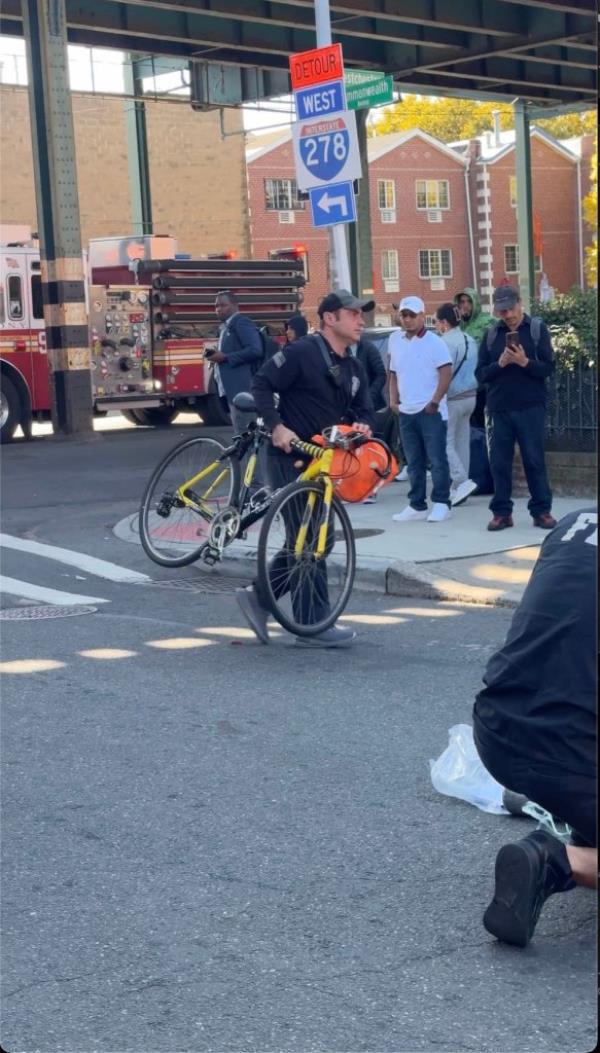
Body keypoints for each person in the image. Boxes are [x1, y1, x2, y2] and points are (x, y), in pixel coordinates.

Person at [473, 507, 597, 947]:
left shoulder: (575, 522)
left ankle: (551, 804)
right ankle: (554, 859)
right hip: (567, 752)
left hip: (496, 726)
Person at [236, 288, 376, 648]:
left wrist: (362, 427)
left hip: (325, 464)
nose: (362, 320)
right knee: (311, 537)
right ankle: (311, 625)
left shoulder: (354, 367)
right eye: (353, 313)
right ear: (330, 318)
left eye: (362, 314)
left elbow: (365, 411)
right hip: (290, 457)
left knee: (319, 539)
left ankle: (260, 598)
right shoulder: (301, 353)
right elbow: (262, 384)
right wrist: (276, 425)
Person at [475, 284, 556, 532]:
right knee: (499, 462)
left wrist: (525, 362)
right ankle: (502, 513)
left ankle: (541, 511)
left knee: (534, 460)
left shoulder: (536, 330)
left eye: (510, 309)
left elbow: (549, 368)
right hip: (500, 408)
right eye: (502, 311)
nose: (507, 315)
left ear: (520, 304)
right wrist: (499, 364)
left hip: (531, 406)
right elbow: (480, 374)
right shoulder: (491, 335)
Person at [388, 296, 452, 523]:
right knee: (413, 461)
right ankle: (417, 504)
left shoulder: (435, 342)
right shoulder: (394, 340)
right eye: (404, 315)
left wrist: (435, 400)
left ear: (423, 316)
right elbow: (393, 373)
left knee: (436, 459)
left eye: (412, 315)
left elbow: (446, 372)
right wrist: (393, 400)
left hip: (430, 411)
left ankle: (442, 502)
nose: (407, 319)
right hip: (407, 410)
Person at [435, 303, 479, 507]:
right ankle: (459, 486)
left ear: (444, 322)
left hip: (452, 398)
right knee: (462, 442)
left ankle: (461, 481)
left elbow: (442, 373)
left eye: (438, 321)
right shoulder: (470, 339)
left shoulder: (444, 343)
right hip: (471, 395)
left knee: (445, 442)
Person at [208, 291, 264, 437]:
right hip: (232, 392)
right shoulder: (226, 327)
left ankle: (251, 461)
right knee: (240, 436)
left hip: (242, 391)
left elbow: (255, 350)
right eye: (216, 306)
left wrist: (225, 357)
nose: (218, 309)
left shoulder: (241, 322)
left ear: (234, 305)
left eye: (223, 305)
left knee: (247, 436)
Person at [350, 335, 387, 504]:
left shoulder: (368, 348)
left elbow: (381, 374)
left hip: (369, 406)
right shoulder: (337, 349)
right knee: (351, 448)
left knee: (369, 448)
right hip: (348, 407)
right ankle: (352, 488)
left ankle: (371, 489)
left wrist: (369, 396)